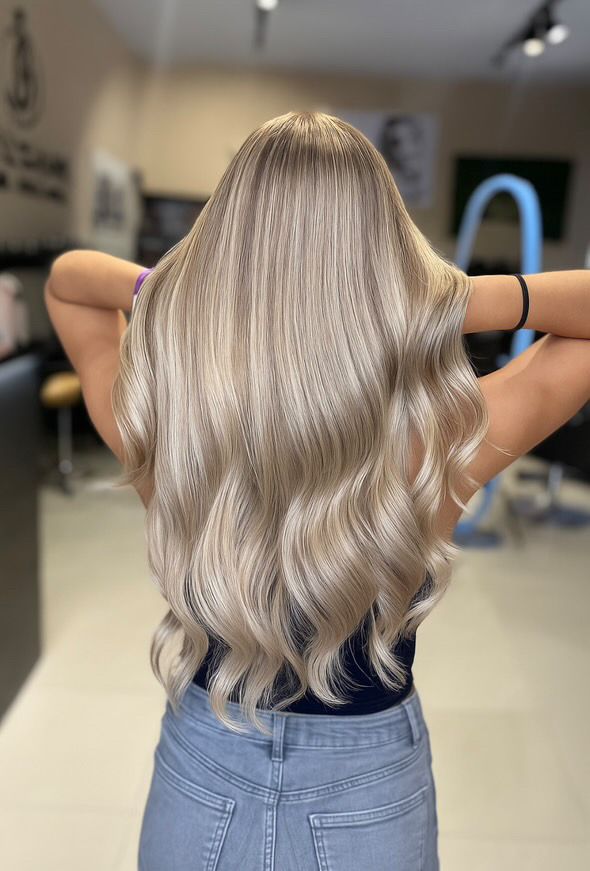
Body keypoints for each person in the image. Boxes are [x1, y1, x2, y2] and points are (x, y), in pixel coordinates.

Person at [44, 111, 590, 871]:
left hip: (204, 765)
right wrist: (446, 299)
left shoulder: (170, 431)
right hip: (369, 786)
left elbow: (68, 284)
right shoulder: (439, 444)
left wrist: (175, 288)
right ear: (386, 256)